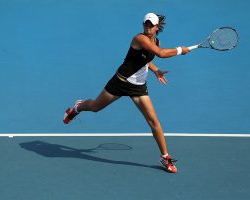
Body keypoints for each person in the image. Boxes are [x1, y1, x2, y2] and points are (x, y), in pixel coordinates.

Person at [63, 12, 190, 173]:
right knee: (95, 107)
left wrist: (156, 70)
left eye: (151, 25)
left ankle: (165, 157)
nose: (148, 27)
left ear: (157, 27)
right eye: (146, 24)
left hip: (138, 87)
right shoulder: (140, 38)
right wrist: (180, 50)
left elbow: (147, 58)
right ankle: (77, 107)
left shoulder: (156, 41)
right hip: (120, 83)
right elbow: (161, 53)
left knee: (154, 121)